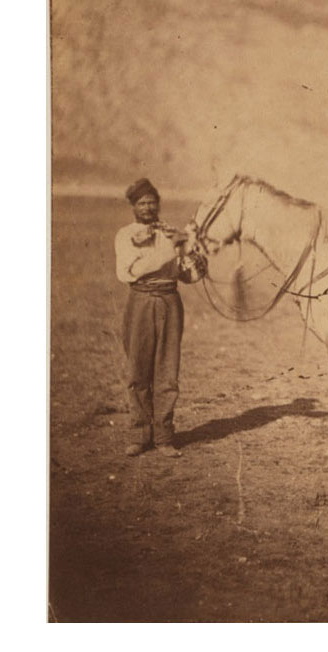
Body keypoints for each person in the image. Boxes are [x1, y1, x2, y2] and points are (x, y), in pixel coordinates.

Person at [114, 178, 206, 458]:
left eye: (152, 202)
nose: (147, 207)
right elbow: (129, 272)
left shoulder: (170, 234)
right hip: (141, 302)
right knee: (138, 370)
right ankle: (139, 435)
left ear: (158, 204)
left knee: (167, 371)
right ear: (133, 206)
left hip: (169, 302)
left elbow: (188, 275)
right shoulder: (125, 235)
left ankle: (164, 437)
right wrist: (171, 250)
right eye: (141, 203)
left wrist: (192, 255)